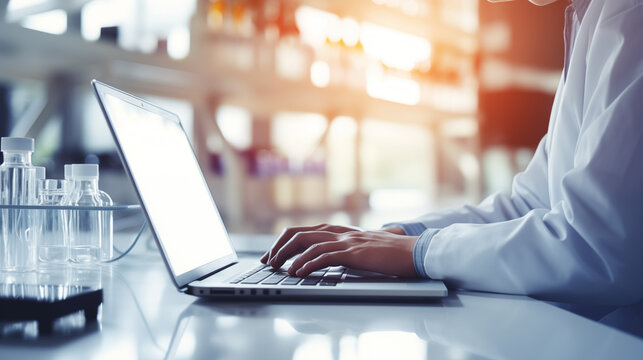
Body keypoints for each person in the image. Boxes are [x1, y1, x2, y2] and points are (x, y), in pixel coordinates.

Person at [261, 0, 643, 305]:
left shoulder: (630, 15)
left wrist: (417, 252)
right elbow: (528, 204)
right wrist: (396, 237)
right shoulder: (591, 17)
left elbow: (597, 246)